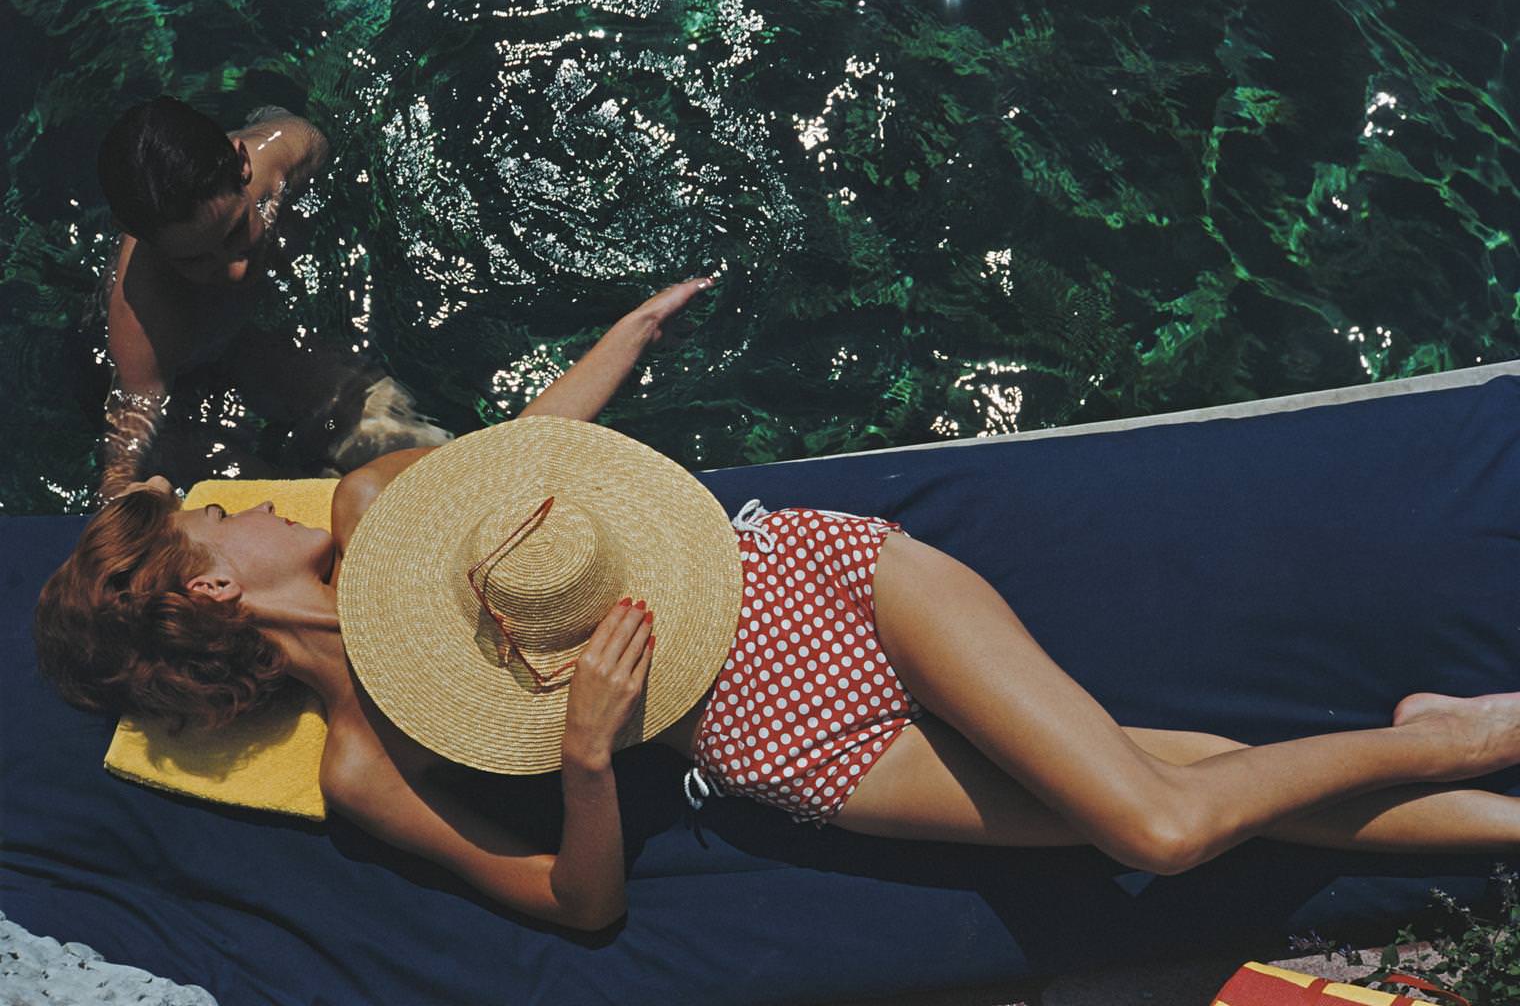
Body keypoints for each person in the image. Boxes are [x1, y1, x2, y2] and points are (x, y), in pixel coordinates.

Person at [34, 323, 1520, 931]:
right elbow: (581, 902)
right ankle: (1468, 792)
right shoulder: (365, 766)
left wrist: (620, 344)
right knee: (1197, 793)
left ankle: (1457, 733)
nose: (237, 503)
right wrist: (590, 755)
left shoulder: (374, 505)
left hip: (794, 581)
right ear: (207, 588)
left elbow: (528, 463)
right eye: (209, 519)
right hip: (771, 743)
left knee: (1156, 827)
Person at [93, 96, 447, 502]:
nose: (235, 269)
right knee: (275, 496)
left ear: (242, 164)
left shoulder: (288, 153)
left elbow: (302, 133)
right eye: (194, 259)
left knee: (392, 426)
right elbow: (129, 431)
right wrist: (119, 489)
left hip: (248, 340)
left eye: (235, 231)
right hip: (188, 387)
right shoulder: (144, 317)